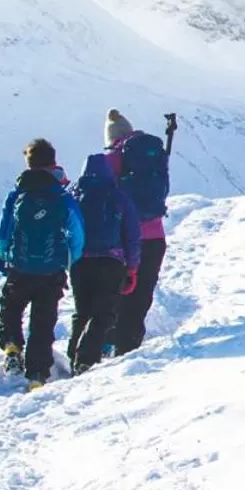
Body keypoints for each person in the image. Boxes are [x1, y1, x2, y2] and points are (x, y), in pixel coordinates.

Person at [0, 138, 84, 389]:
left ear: (28, 164)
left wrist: (4, 254)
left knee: (11, 308)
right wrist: (70, 260)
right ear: (53, 163)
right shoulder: (61, 196)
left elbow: (4, 229)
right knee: (43, 321)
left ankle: (12, 347)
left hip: (20, 267)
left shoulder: (17, 194)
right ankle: (37, 375)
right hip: (51, 270)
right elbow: (77, 232)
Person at [102, 109, 174, 356]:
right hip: (155, 237)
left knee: (117, 290)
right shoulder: (153, 155)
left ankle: (108, 340)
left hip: (122, 238)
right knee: (142, 291)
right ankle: (130, 345)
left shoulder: (110, 159)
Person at [67, 150, 141, 374]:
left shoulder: (73, 196)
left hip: (79, 261)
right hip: (111, 262)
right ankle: (85, 359)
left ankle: (73, 354)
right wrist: (132, 266)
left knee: (82, 310)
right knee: (104, 313)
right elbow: (131, 235)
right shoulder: (119, 197)